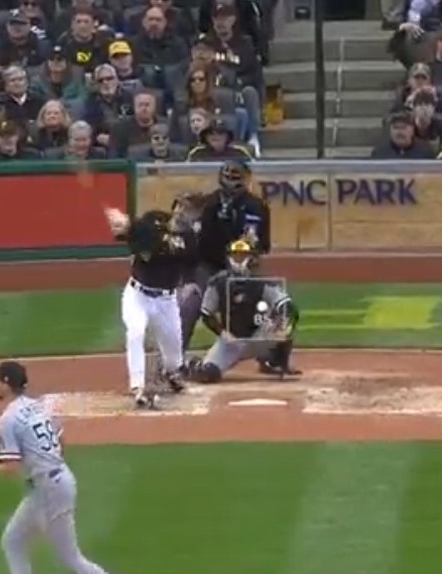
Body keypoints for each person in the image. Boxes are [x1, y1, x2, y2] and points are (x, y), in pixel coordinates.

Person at [0, 360, 152, 574]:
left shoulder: (8, 419)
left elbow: (11, 467)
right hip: (54, 482)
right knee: (12, 540)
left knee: (72, 559)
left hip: (48, 490)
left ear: (6, 383)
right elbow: (60, 442)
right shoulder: (39, 406)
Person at [104, 195, 206, 406]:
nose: (181, 212)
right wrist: (124, 226)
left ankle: (172, 374)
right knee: (135, 333)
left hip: (166, 300)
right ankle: (137, 385)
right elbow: (137, 238)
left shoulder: (189, 240)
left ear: (194, 216)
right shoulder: (153, 219)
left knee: (173, 351)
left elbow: (161, 251)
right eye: (179, 207)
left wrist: (131, 228)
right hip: (137, 294)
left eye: (188, 210)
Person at [187, 238, 301, 383]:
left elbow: (287, 306)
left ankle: (275, 360)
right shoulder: (218, 283)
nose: (239, 259)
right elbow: (206, 314)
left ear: (252, 258)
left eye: (243, 255)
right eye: (235, 255)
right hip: (231, 342)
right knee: (208, 374)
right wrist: (223, 333)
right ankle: (194, 364)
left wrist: (279, 324)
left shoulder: (261, 283)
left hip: (258, 336)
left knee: (285, 321)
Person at [186, 158, 269, 350]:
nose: (231, 182)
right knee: (192, 304)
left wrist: (246, 254)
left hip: (245, 266)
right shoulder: (209, 203)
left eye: (236, 177)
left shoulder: (256, 206)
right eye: (228, 177)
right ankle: (177, 358)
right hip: (210, 264)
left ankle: (271, 356)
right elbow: (200, 240)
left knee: (266, 307)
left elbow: (263, 244)